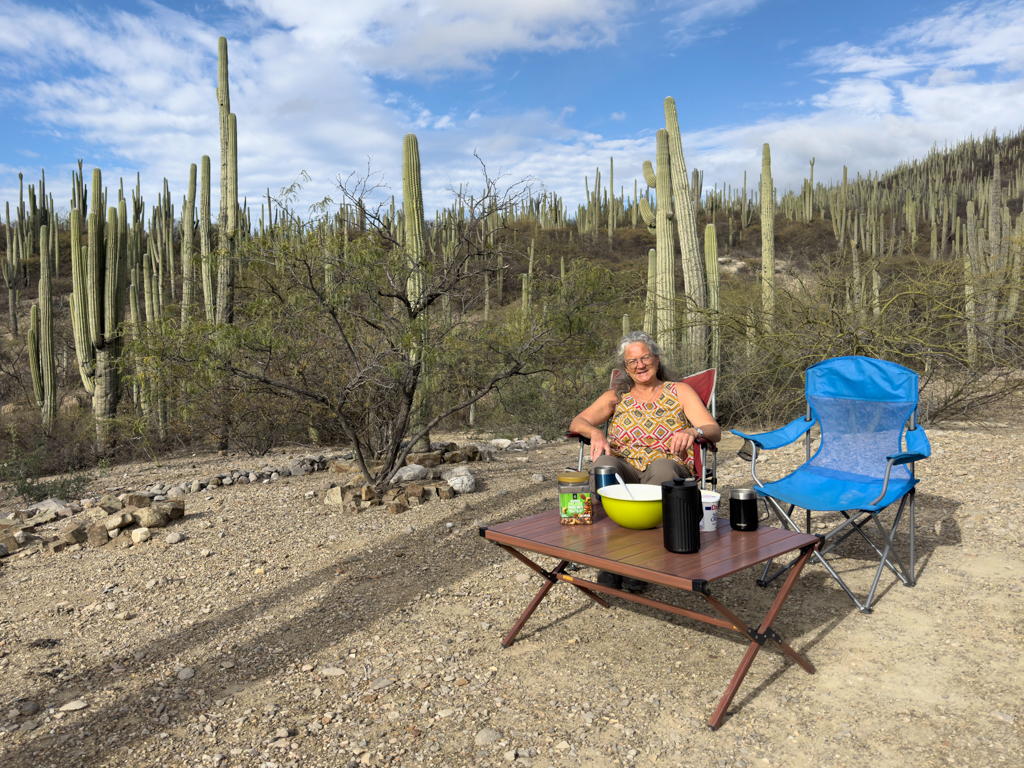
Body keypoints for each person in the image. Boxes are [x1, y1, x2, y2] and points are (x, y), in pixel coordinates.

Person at [569, 331, 721, 592]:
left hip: (665, 468)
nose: (640, 365)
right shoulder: (617, 396)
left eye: (645, 357)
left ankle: (640, 563)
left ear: (657, 359)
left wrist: (692, 431)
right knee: (602, 464)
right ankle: (609, 559)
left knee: (662, 467)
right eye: (632, 361)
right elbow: (577, 422)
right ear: (626, 368)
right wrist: (595, 432)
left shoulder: (679, 391)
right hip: (623, 470)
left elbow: (713, 429)